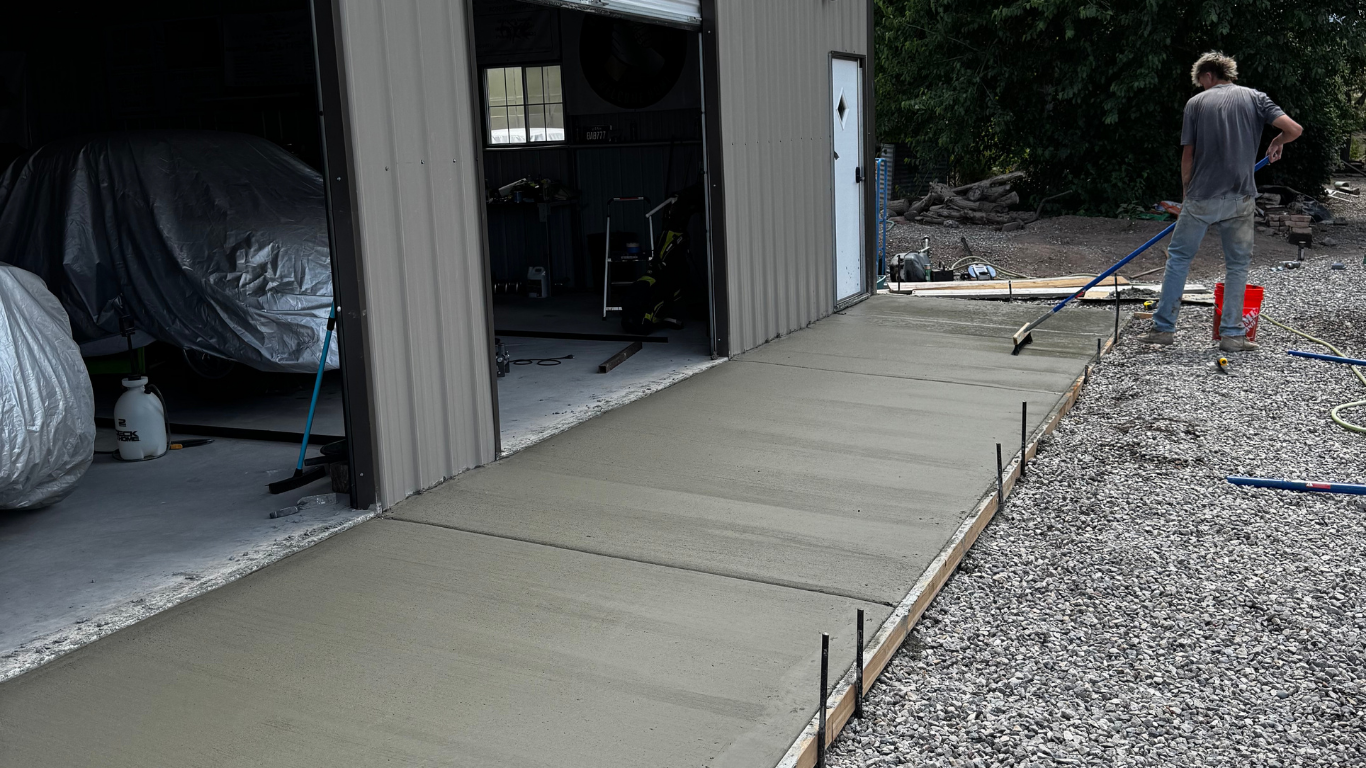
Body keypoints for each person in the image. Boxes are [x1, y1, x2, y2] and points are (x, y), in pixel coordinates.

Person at [1140, 51, 1302, 351]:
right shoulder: (1256, 98)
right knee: (1237, 265)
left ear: (1207, 76)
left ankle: (1164, 329)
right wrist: (1277, 141)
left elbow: (1188, 154)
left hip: (1202, 195)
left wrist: (1186, 192)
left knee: (1178, 260)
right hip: (1241, 196)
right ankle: (1231, 335)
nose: (1201, 87)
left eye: (1200, 82)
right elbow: (1294, 129)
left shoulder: (1196, 103)